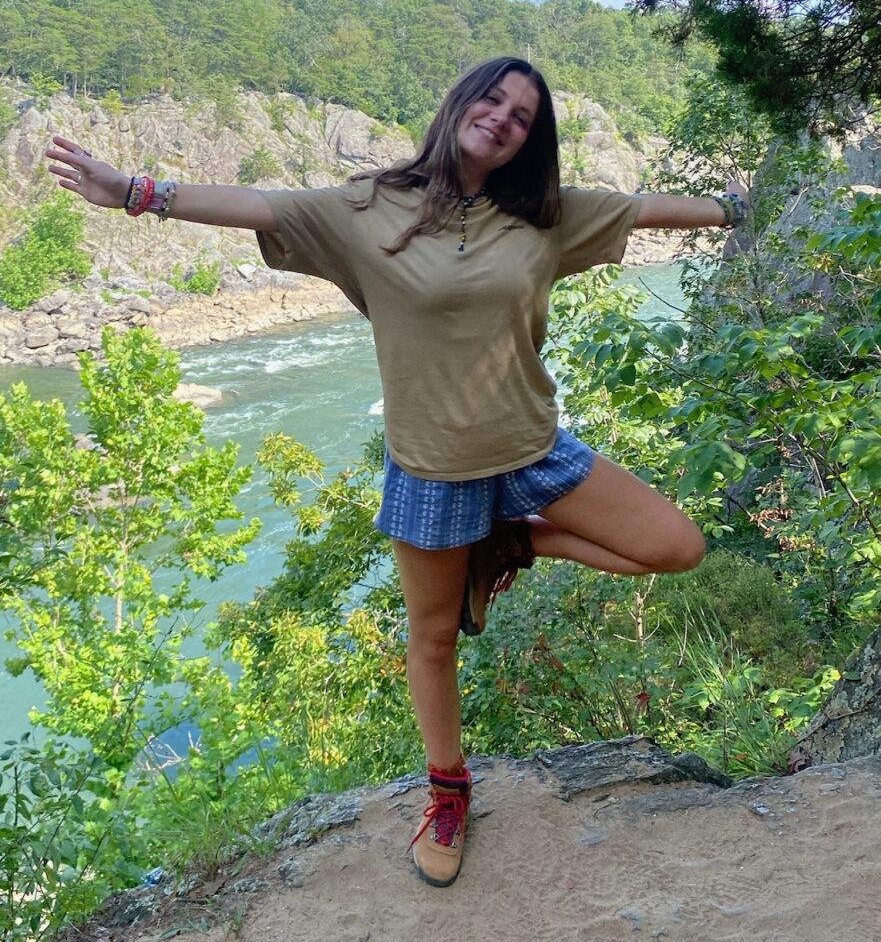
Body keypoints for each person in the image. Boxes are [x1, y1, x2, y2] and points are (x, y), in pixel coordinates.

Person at [46, 56, 748, 889]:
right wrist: (133, 191)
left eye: (522, 116)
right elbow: (258, 205)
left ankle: (513, 543)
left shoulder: (546, 214)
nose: (502, 118)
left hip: (531, 447)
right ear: (459, 103)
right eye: (492, 99)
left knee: (675, 546)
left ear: (529, 140)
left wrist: (742, 205)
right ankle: (448, 792)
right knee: (432, 637)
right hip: (432, 467)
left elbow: (646, 207)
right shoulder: (365, 207)